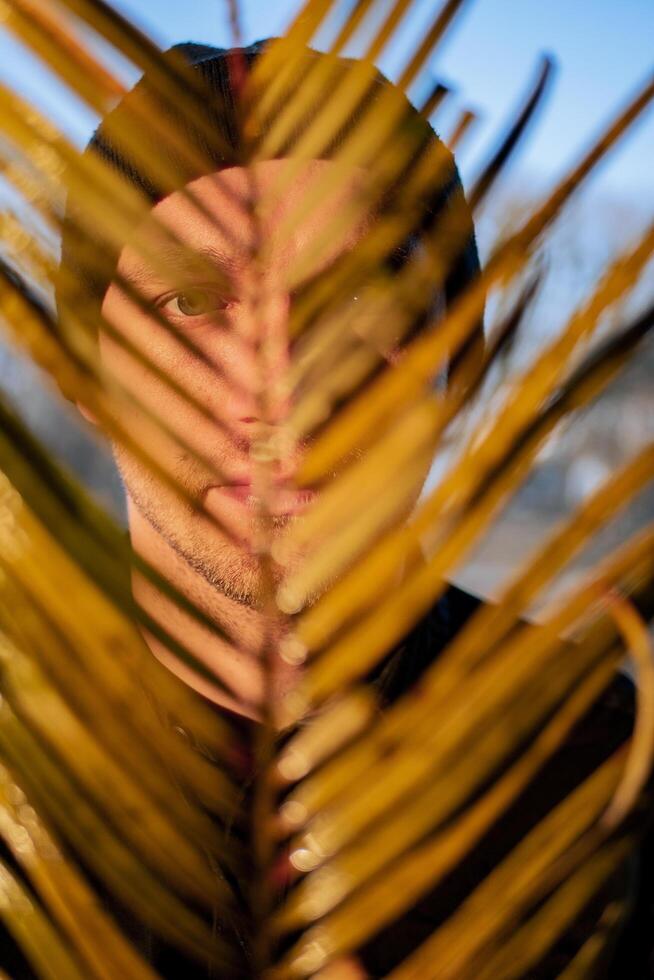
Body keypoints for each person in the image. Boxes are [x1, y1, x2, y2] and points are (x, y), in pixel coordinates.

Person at [22, 37, 651, 978]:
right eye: (194, 303)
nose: (282, 387)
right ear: (85, 374)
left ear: (458, 363)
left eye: (359, 294)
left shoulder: (591, 770)